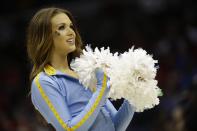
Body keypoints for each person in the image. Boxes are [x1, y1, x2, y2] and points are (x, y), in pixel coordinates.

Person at [27, 7, 134, 131]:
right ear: (45, 36)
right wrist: (101, 88)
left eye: (71, 26)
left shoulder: (84, 72)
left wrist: (134, 95)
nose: (71, 32)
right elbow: (68, 129)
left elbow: (115, 127)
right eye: (62, 27)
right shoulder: (44, 82)